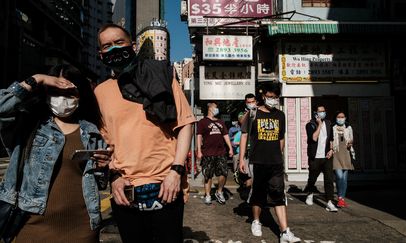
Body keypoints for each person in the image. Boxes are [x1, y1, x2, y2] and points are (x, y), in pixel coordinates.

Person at [95, 23, 195, 242]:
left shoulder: (162, 75)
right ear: (100, 54)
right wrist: (114, 177)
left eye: (119, 43)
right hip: (125, 189)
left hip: (165, 183)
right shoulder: (100, 92)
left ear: (132, 45)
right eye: (107, 46)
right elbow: (105, 143)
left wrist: (176, 172)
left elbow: (185, 124)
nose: (114, 49)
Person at [0, 64, 112, 242]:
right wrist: (37, 78)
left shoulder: (91, 131)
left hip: (82, 227)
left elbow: (98, 183)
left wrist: (103, 167)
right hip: (30, 227)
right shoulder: (28, 124)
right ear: (45, 93)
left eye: (69, 93)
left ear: (80, 95)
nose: (62, 99)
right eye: (55, 91)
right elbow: (2, 107)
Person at [239, 83, 300, 243]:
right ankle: (256, 221)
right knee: (258, 193)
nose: (273, 100)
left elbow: (281, 137)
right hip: (257, 161)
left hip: (275, 162)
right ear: (264, 96)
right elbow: (244, 135)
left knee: (278, 195)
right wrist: (241, 160)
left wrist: (279, 155)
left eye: (275, 97)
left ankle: (284, 231)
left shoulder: (280, 115)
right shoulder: (253, 114)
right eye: (270, 97)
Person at [197, 102, 233, 205]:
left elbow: (225, 135)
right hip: (208, 152)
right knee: (208, 175)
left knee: (224, 173)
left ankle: (219, 191)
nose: (217, 109)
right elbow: (199, 136)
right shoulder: (202, 122)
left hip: (221, 152)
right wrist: (199, 151)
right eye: (216, 107)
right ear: (210, 108)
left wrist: (230, 148)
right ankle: (208, 195)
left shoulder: (221, 122)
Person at [304, 105, 338, 212]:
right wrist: (319, 124)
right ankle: (309, 192)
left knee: (329, 179)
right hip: (315, 156)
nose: (322, 113)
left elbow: (331, 139)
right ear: (315, 113)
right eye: (320, 111)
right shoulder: (310, 124)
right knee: (312, 178)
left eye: (323, 111)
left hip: (326, 156)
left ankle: (329, 202)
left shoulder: (328, 123)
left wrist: (331, 150)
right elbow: (314, 138)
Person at [332, 111, 355, 208]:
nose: (340, 118)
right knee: (339, 177)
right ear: (336, 118)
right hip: (336, 155)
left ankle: (341, 198)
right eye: (338, 117)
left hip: (346, 154)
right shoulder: (333, 128)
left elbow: (351, 139)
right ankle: (340, 197)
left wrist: (350, 143)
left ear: (345, 118)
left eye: (342, 117)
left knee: (344, 179)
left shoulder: (348, 128)